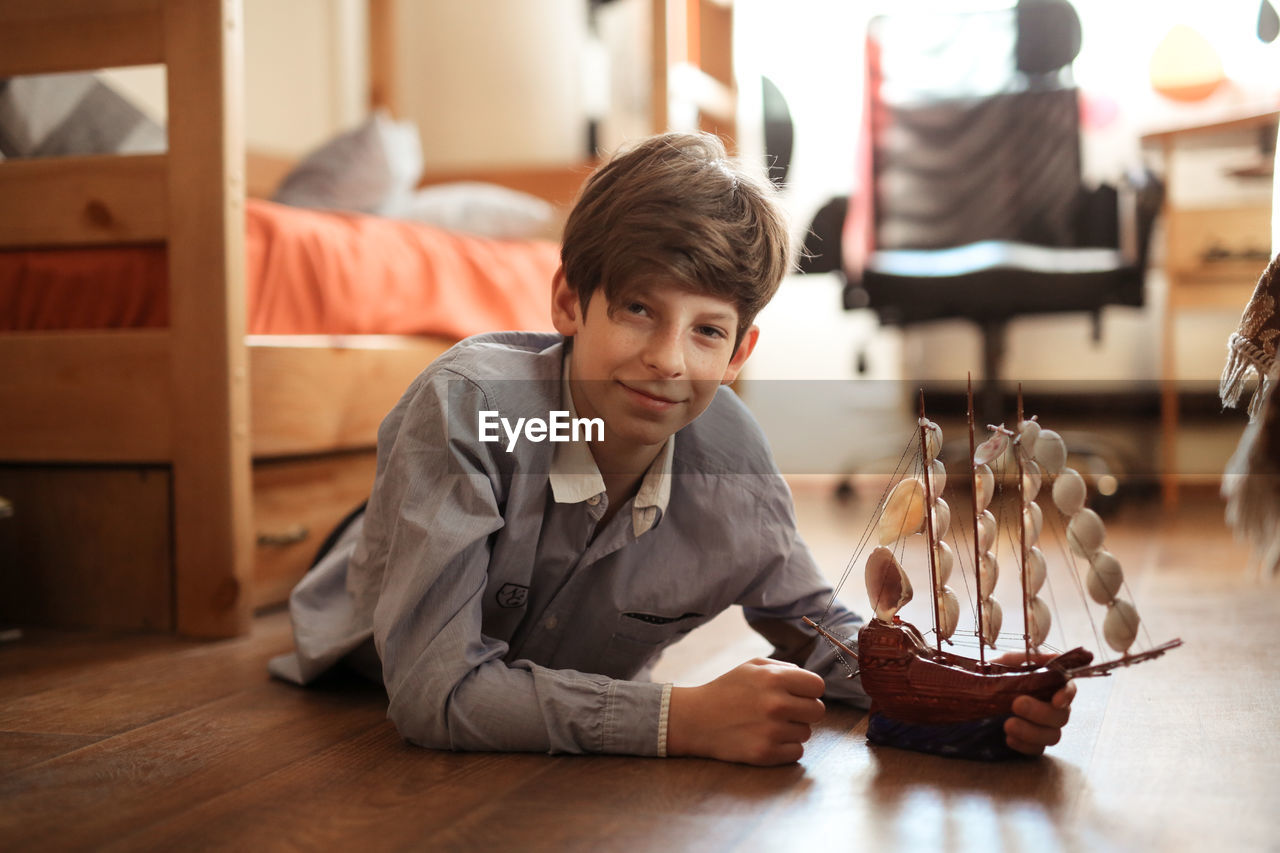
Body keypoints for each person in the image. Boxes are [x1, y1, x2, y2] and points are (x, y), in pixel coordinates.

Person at [268, 132, 1074, 765]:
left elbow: (816, 631)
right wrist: (677, 718)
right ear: (567, 302)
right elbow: (435, 694)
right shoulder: (473, 411)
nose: (668, 359)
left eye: (707, 331)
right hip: (369, 632)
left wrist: (967, 696)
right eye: (636, 309)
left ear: (740, 353)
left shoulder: (734, 462)